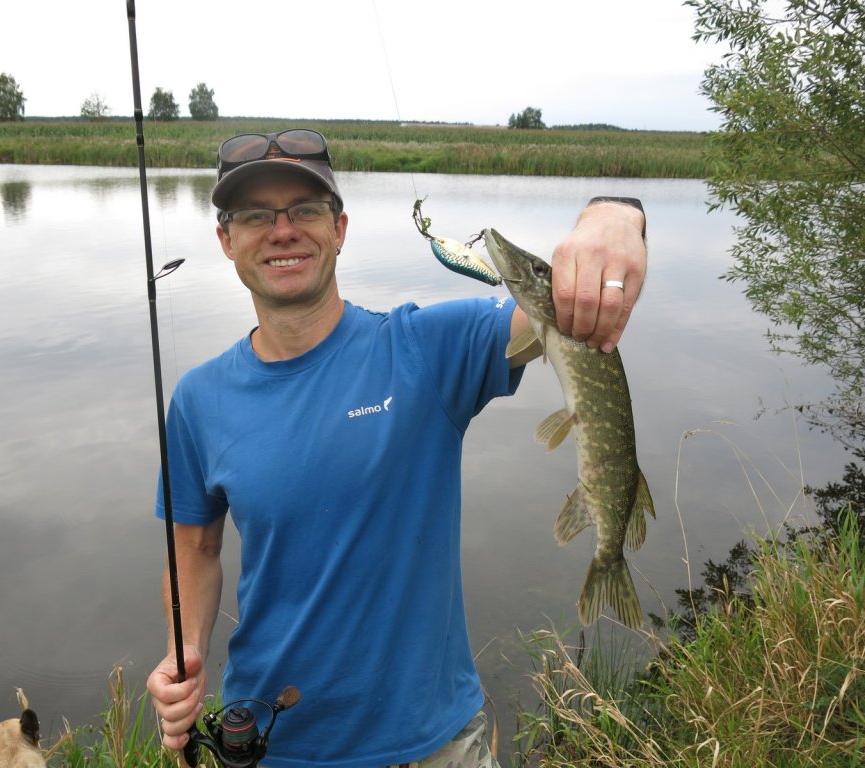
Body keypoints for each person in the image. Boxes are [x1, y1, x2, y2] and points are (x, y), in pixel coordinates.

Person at [146, 128, 647, 768]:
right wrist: (184, 649)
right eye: (255, 216)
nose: (282, 231)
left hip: (436, 742)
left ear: (339, 229)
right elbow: (194, 548)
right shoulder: (199, 398)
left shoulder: (428, 348)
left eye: (304, 210)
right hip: (274, 740)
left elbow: (565, 313)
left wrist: (614, 217)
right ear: (227, 240)